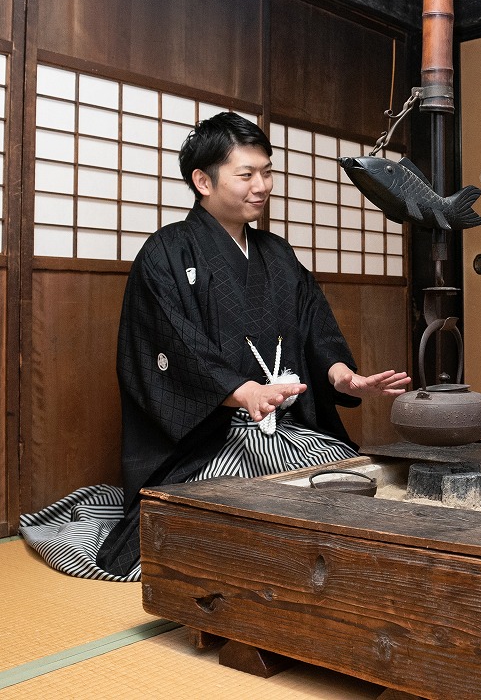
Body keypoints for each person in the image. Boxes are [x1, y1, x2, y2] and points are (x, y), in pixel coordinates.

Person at [21, 112, 410, 580]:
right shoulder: (166, 253)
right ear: (203, 181)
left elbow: (315, 327)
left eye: (267, 172)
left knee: (354, 484)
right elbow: (171, 347)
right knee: (239, 519)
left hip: (289, 431)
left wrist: (343, 376)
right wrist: (243, 392)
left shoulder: (278, 254)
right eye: (246, 175)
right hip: (210, 443)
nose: (262, 186)